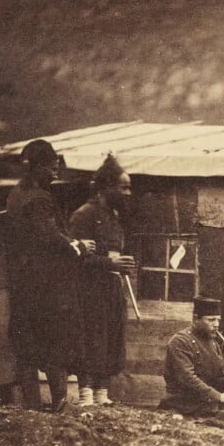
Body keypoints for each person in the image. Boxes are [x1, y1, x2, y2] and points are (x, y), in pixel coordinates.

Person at [4, 139, 96, 411]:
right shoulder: (40, 198)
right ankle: (60, 403)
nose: (55, 174)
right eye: (51, 168)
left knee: (27, 345)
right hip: (46, 285)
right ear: (36, 168)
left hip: (22, 282)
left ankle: (32, 406)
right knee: (56, 341)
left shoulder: (15, 194)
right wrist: (78, 246)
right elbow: (48, 237)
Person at [68, 154, 136, 406]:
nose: (128, 192)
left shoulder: (114, 217)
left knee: (110, 339)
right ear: (107, 187)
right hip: (89, 291)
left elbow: (113, 254)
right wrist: (110, 263)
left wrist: (121, 267)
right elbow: (74, 258)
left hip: (111, 289)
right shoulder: (84, 215)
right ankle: (86, 395)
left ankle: (102, 395)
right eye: (123, 187)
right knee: (91, 340)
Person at [160, 296, 224, 418]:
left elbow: (216, 381)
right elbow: (187, 379)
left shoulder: (214, 344)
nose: (216, 325)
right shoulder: (180, 341)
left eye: (218, 320)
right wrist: (218, 396)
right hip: (185, 402)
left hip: (208, 398)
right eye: (211, 320)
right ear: (195, 319)